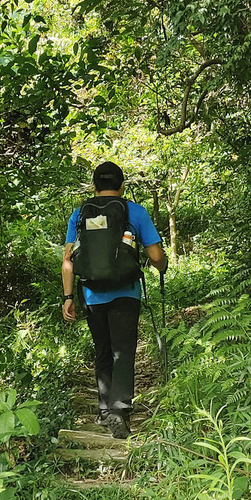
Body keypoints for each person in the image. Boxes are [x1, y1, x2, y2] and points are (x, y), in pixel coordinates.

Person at [62, 161, 167, 438]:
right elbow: (156, 257)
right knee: (123, 352)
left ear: (94, 187)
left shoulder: (80, 214)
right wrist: (162, 265)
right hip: (126, 293)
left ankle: (105, 410)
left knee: (103, 351)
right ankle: (119, 409)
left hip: (92, 294)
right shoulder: (135, 211)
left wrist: (68, 296)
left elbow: (68, 260)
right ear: (122, 186)